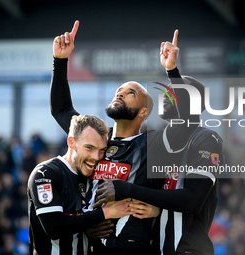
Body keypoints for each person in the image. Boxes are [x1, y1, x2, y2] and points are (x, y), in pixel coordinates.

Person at [50, 21, 202, 254]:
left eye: (131, 93)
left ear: (143, 112)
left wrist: (172, 70)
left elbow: (189, 119)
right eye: (119, 91)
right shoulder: (94, 138)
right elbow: (61, 110)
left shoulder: (153, 144)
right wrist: (60, 61)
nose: (120, 93)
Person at [93, 35, 224, 255]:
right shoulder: (158, 142)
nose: (165, 94)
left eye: (174, 91)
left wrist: (172, 70)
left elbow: (192, 200)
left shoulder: (207, 139)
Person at [27, 114, 134, 255]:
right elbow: (53, 227)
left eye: (101, 150)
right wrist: (104, 213)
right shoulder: (45, 173)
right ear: (71, 142)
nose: (96, 157)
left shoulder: (93, 174)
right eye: (89, 148)